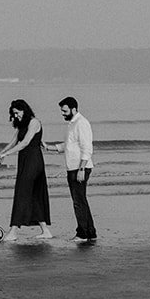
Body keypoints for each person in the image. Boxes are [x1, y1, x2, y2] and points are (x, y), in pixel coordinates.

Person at [0, 98, 52, 242]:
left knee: (22, 193)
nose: (16, 116)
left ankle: (13, 231)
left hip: (33, 160)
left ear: (24, 110)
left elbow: (26, 142)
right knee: (33, 195)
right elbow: (14, 141)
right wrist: (1, 153)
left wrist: (7, 154)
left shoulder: (34, 122)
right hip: (25, 160)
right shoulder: (22, 124)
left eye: (17, 113)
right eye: (13, 114)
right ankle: (45, 231)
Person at [59, 96, 97, 243]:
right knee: (81, 200)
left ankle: (82, 233)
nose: (63, 114)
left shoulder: (82, 123)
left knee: (78, 201)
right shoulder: (72, 124)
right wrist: (50, 147)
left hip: (80, 168)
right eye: (62, 111)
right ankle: (90, 232)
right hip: (73, 167)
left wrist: (81, 169)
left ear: (74, 109)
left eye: (65, 111)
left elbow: (87, 148)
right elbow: (68, 145)